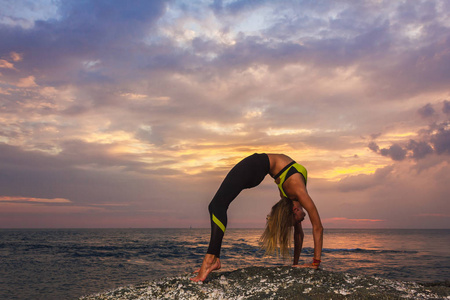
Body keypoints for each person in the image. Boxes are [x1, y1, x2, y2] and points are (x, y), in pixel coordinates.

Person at [191, 153, 323, 282]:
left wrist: (295, 264)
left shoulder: (289, 198)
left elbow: (298, 234)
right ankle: (211, 259)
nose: (301, 221)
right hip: (257, 164)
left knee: (216, 206)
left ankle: (213, 259)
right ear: (295, 210)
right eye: (298, 221)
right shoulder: (299, 192)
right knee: (216, 206)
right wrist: (315, 263)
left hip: (258, 167)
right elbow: (318, 227)